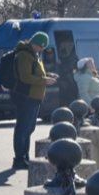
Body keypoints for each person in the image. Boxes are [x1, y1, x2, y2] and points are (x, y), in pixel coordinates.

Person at [11, 32, 57, 170]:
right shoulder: (25, 55)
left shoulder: (34, 54)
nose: (41, 50)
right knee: (23, 128)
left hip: (34, 96)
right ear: (34, 43)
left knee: (29, 128)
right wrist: (44, 81)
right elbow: (25, 77)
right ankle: (19, 159)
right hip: (26, 96)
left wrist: (47, 75)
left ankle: (25, 157)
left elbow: (35, 73)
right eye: (40, 46)